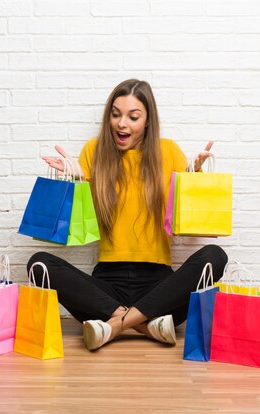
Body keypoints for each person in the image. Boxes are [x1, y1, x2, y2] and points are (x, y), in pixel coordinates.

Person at [28, 79, 228, 351]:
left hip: (160, 288)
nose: (122, 123)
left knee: (215, 255)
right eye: (115, 114)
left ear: (147, 121)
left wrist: (194, 175)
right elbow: (76, 222)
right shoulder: (94, 151)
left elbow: (190, 216)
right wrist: (75, 182)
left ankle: (112, 327)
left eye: (133, 117)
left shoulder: (168, 151)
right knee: (39, 263)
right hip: (106, 287)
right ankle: (147, 326)